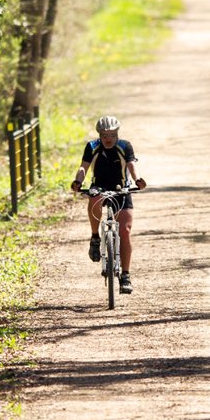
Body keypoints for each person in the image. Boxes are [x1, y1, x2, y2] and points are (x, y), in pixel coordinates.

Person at [70, 115, 146, 294]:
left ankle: (125, 276)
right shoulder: (92, 146)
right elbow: (84, 167)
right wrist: (78, 181)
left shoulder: (125, 146)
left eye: (112, 134)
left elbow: (132, 166)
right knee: (94, 198)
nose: (108, 139)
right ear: (99, 135)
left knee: (125, 231)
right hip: (100, 186)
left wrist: (139, 180)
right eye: (104, 135)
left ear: (117, 134)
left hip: (122, 188)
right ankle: (95, 237)